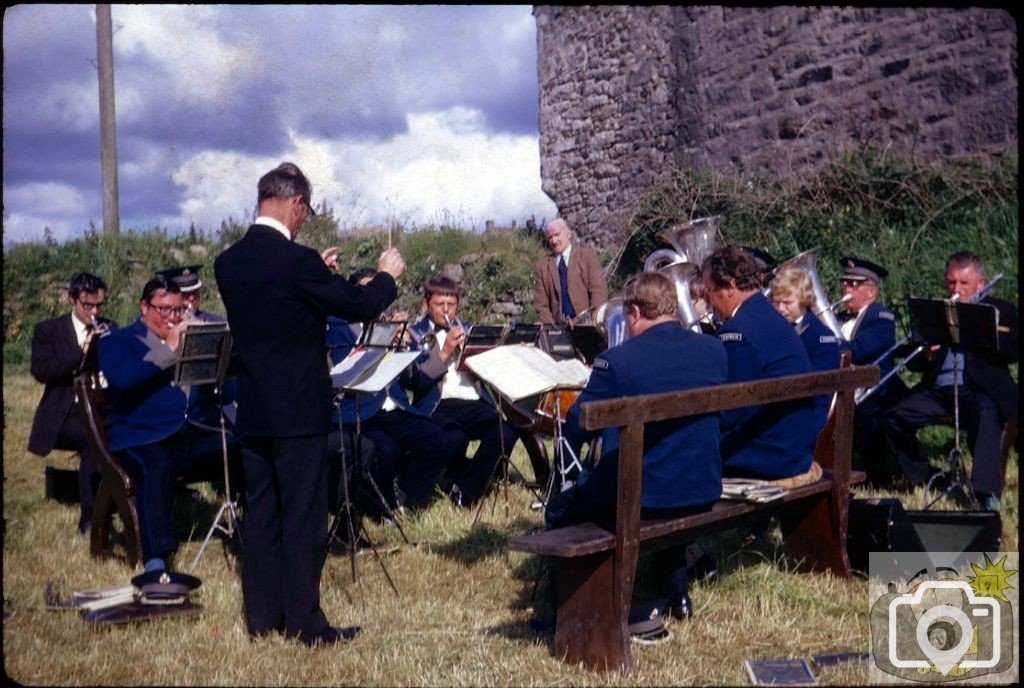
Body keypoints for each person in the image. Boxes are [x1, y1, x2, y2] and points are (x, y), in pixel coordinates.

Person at [214, 162, 404, 647]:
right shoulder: (299, 264)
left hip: (254, 410)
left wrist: (314, 272)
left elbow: (279, 305)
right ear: (295, 203)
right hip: (298, 411)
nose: (304, 221)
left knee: (261, 514)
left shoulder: (228, 263)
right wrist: (385, 277)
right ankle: (304, 623)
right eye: (306, 212)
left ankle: (262, 620)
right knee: (302, 517)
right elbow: (358, 306)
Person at [546, 271, 727, 620]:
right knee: (661, 469)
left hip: (646, 498)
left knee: (560, 509)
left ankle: (569, 608)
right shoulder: (713, 348)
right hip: (703, 486)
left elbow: (577, 426)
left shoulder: (618, 361)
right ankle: (677, 594)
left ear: (633, 312)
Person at [97, 277, 237, 574]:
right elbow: (124, 377)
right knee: (156, 467)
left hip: (193, 432)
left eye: (178, 310)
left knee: (246, 449)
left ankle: (255, 533)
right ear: (144, 307)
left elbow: (221, 389)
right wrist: (170, 350)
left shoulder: (189, 335)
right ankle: (156, 560)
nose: (173, 317)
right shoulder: (116, 340)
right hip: (141, 437)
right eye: (164, 310)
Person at [878, 251, 1018, 510]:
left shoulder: (1000, 309)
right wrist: (927, 354)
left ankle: (986, 494)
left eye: (964, 283)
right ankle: (929, 477)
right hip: (939, 392)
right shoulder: (936, 312)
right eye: (951, 282)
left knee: (987, 412)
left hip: (980, 390)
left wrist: (984, 333)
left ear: (980, 282)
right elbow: (915, 362)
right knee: (891, 419)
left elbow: (1013, 351)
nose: (957, 289)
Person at [701, 245, 815, 478]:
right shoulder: (767, 315)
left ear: (731, 286)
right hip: (792, 447)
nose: (709, 300)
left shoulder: (738, 332)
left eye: (710, 291)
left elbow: (727, 413)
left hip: (767, 456)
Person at [405, 276, 518, 506]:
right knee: (453, 440)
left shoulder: (469, 329)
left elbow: (491, 371)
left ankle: (465, 492)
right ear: (426, 305)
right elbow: (414, 381)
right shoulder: (414, 334)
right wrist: (445, 353)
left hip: (473, 401)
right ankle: (441, 481)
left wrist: (476, 355)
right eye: (439, 304)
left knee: (504, 433)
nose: (446, 310)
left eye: (451, 304)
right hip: (439, 404)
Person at [28, 271, 116, 534]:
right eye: (87, 305)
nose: (94, 311)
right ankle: (90, 517)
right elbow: (41, 370)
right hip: (66, 414)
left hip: (103, 405)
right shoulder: (48, 330)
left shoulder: (109, 325)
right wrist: (81, 352)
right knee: (94, 439)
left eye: (99, 304)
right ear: (71, 300)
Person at [835, 257, 905, 478]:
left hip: (872, 387)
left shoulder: (881, 316)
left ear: (871, 292)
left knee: (867, 413)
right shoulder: (836, 317)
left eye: (854, 284)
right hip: (842, 384)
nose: (846, 288)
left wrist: (827, 343)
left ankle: (875, 475)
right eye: (845, 282)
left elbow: (860, 350)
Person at [769, 265, 841, 431]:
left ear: (804, 300)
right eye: (776, 302)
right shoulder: (775, 330)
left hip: (805, 415)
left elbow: (817, 386)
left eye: (787, 303)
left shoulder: (822, 337)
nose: (780, 309)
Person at [533, 218, 609, 324]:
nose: (554, 241)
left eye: (557, 235)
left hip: (587, 327)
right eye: (550, 237)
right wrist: (552, 328)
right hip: (558, 330)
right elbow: (541, 305)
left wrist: (591, 320)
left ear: (568, 234)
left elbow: (599, 292)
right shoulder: (542, 267)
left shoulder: (587, 257)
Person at [155, 264, 225, 322]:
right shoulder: (163, 324)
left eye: (195, 292)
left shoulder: (216, 322)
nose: (191, 298)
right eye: (185, 294)